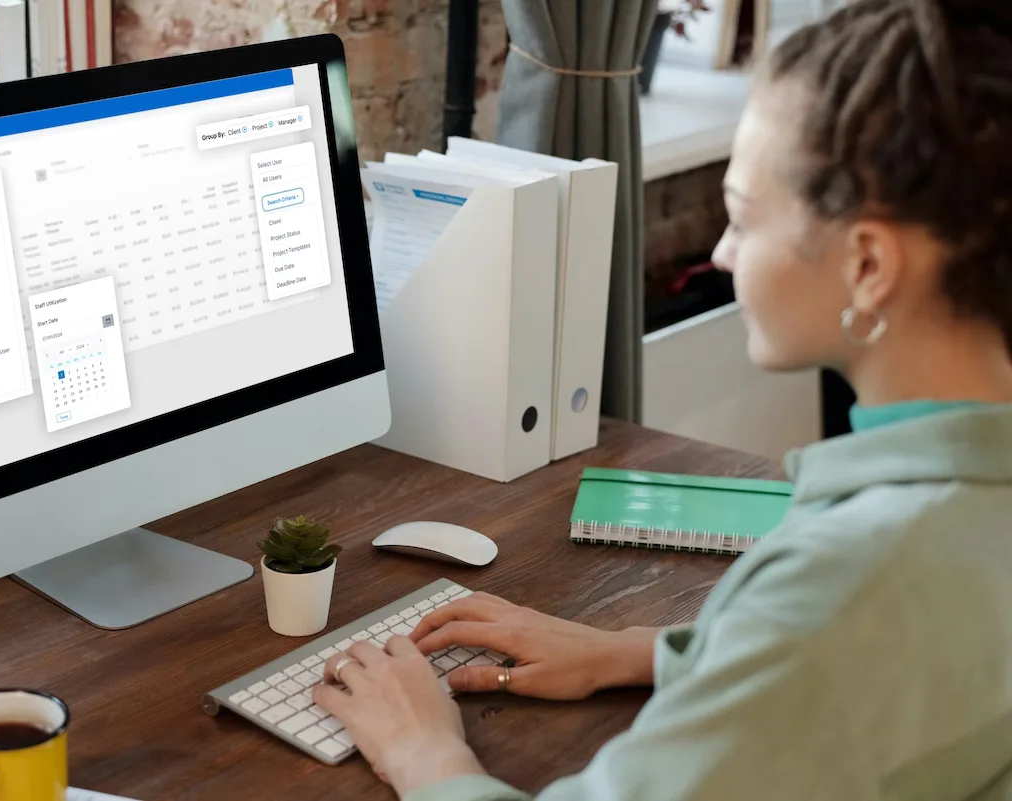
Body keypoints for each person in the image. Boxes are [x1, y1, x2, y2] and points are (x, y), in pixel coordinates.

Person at [309, 0, 1012, 798]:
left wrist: (424, 752)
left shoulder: (847, 582)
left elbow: (836, 635)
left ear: (868, 266)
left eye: (743, 219)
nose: (721, 251)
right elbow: (888, 662)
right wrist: (639, 649)